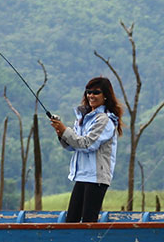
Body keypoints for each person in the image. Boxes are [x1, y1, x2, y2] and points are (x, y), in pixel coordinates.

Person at [50, 76, 123, 222]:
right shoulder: (83, 118)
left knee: (89, 220)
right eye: (88, 92)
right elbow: (73, 146)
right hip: (82, 175)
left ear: (105, 96)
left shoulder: (105, 120)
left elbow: (87, 144)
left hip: (96, 177)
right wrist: (61, 133)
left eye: (96, 92)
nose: (91, 95)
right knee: (72, 220)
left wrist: (65, 130)